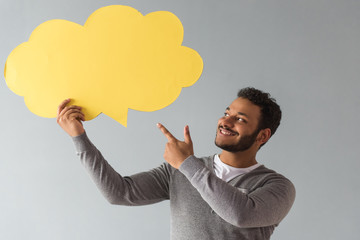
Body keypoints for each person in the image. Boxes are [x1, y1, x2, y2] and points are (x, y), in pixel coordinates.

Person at [57, 87, 295, 240]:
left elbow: (240, 214)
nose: (226, 121)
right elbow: (119, 193)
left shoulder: (277, 186)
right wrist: (79, 138)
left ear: (262, 136)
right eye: (227, 112)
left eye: (240, 119)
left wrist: (188, 163)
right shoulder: (180, 171)